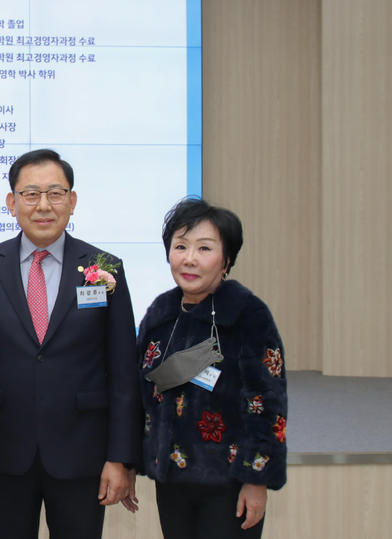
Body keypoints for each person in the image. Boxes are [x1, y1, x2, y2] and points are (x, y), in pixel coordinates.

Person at [0, 149, 142, 539]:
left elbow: (124, 372)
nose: (43, 205)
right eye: (30, 194)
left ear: (72, 201)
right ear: (12, 202)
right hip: (2, 452)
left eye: (55, 193)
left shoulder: (105, 267)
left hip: (82, 453)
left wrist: (120, 458)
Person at [135, 197, 287, 538]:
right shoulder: (160, 314)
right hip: (171, 479)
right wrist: (132, 462)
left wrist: (256, 478)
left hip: (229, 483)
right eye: (180, 246)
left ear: (226, 259)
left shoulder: (248, 315)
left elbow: (267, 404)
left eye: (204, 248)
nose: (189, 259)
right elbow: (142, 395)